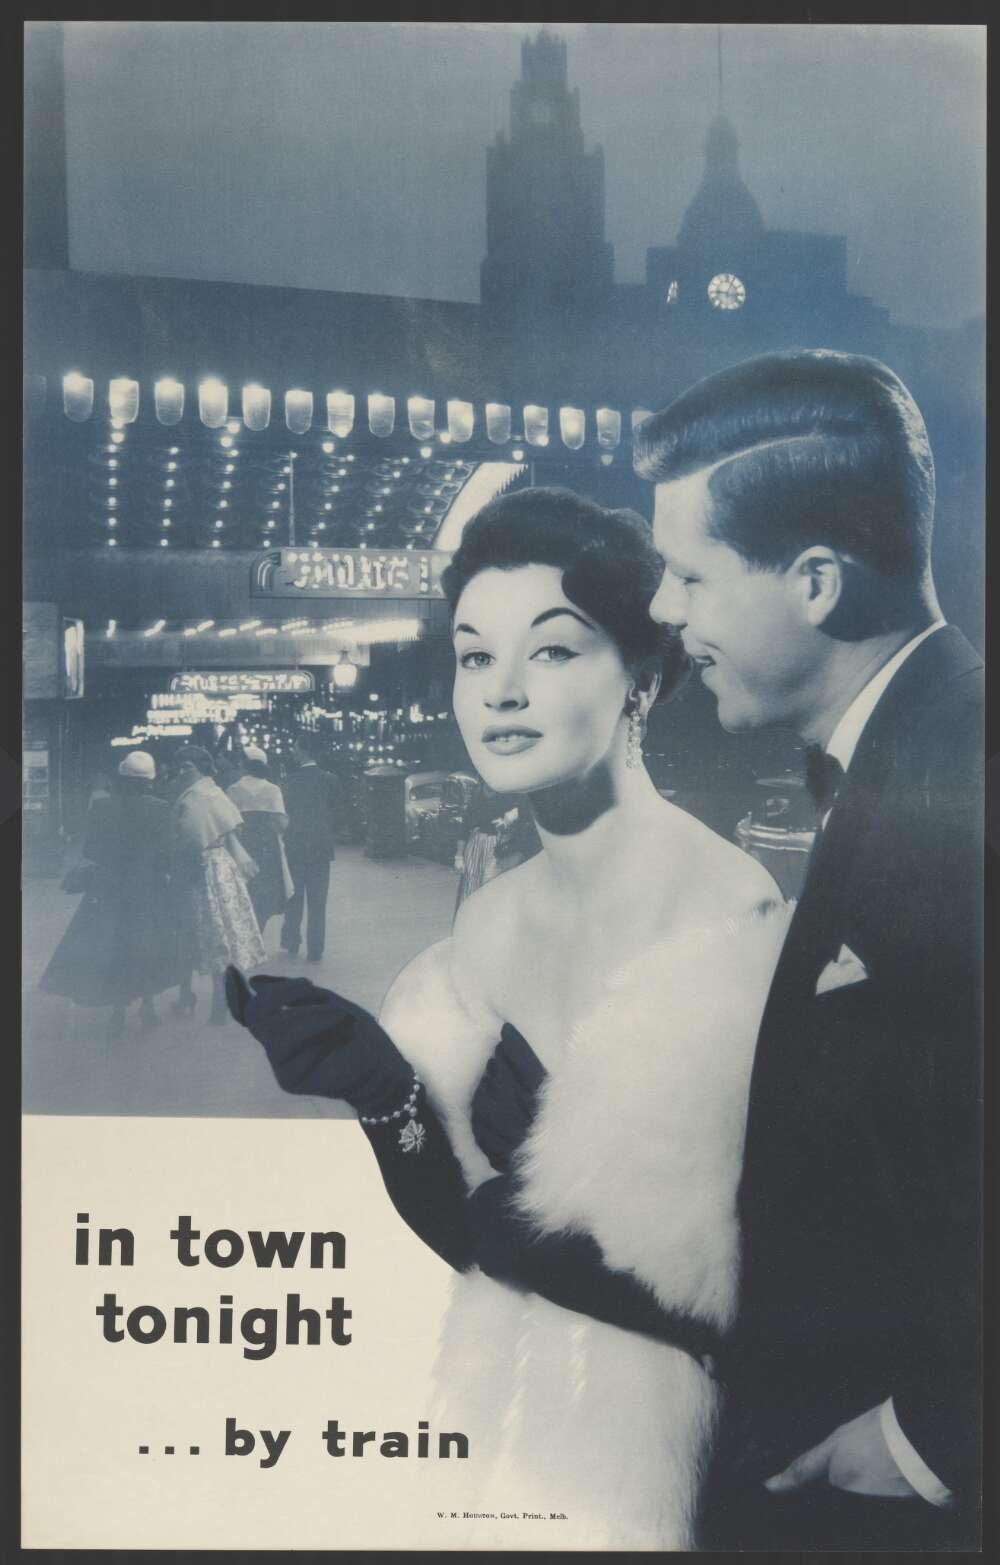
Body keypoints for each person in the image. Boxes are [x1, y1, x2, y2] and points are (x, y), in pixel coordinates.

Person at [226, 489, 792, 1550]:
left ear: (643, 673)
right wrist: (383, 1093)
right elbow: (476, 1240)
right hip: (505, 1452)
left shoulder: (735, 913)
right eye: (475, 657)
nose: (502, 692)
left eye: (554, 650)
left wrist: (559, 1243)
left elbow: (806, 1294)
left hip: (697, 1484)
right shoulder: (482, 923)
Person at [634, 348, 983, 1550]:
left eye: (688, 574)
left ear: (816, 583)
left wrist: (937, 1437)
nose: (664, 612)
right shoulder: (907, 746)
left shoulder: (966, 780)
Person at [40, 750, 176, 1037]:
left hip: (109, 887)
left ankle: (118, 1008)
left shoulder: (102, 807)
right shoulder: (162, 808)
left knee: (113, 945)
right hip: (146, 888)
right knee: (146, 943)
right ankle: (148, 1004)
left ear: (121, 777)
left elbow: (91, 850)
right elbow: (166, 855)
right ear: (150, 782)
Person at [172, 745, 266, 1024]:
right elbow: (232, 826)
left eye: (186, 767)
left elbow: (188, 836)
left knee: (209, 932)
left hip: (200, 868)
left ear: (198, 767)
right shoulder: (214, 792)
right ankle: (219, 994)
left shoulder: (196, 796)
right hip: (221, 865)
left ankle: (213, 996)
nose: (181, 772)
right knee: (222, 931)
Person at [280, 732, 339, 962]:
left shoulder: (289, 781)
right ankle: (316, 949)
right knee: (318, 900)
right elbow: (336, 808)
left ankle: (292, 941)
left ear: (304, 750)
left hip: (294, 845)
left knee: (294, 897)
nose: (292, 751)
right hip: (321, 846)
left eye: (295, 747)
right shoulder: (330, 779)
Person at [226, 746, 293, 940]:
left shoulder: (233, 789)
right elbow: (281, 821)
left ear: (244, 765)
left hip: (244, 841)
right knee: (267, 886)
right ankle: (260, 931)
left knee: (247, 886)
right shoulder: (272, 789)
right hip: (267, 842)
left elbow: (231, 821)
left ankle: (249, 933)